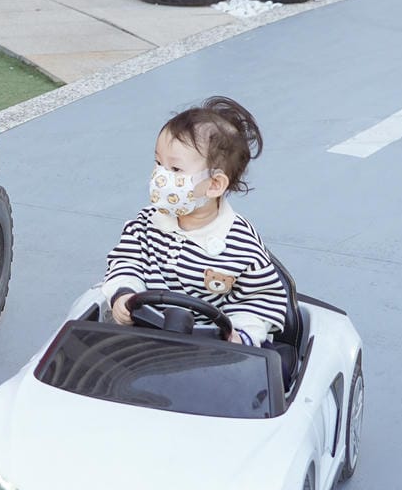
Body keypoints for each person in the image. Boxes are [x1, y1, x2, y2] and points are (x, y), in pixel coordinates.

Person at [92, 96, 287, 347]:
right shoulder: (146, 223)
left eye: (175, 170)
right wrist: (124, 293)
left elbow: (261, 299)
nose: (160, 176)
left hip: (209, 349)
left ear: (215, 184)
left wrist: (241, 333)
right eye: (158, 163)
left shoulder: (241, 246)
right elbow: (126, 262)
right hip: (145, 335)